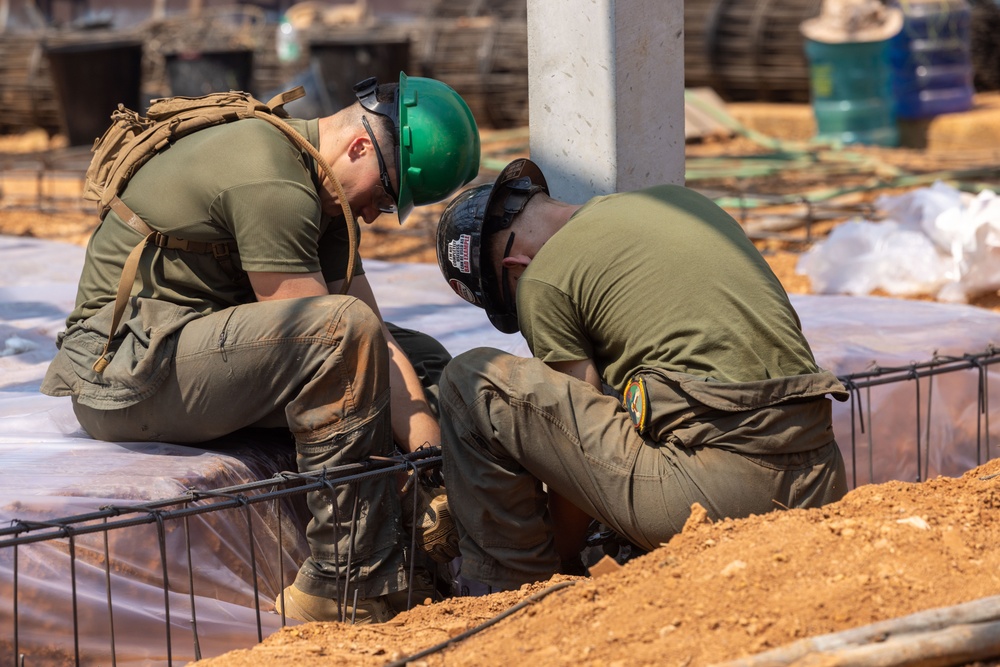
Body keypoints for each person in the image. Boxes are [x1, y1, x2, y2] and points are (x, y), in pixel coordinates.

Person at [41, 73, 480, 623]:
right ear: (360, 146)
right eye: (388, 195)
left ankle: (430, 553)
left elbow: (378, 338)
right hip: (128, 371)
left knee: (426, 360)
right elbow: (331, 340)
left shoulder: (326, 189)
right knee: (338, 336)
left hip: (191, 346)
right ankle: (347, 581)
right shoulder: (271, 176)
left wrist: (429, 464)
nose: (375, 214)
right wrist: (408, 486)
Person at [434, 158, 849, 592]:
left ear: (515, 266)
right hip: (821, 476)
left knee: (472, 379)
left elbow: (570, 439)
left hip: (719, 495)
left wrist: (562, 553)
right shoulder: (675, 202)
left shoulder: (541, 280)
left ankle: (508, 589)